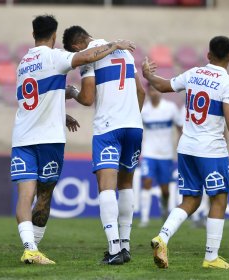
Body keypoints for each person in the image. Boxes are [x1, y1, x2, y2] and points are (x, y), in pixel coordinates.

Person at [12, 15, 136, 265]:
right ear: (55, 36)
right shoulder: (54, 56)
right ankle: (35, 249)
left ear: (33, 34)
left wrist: (61, 111)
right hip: (49, 138)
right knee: (44, 195)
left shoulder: (23, 63)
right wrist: (114, 45)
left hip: (22, 136)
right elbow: (87, 57)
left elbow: (34, 97)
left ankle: (30, 249)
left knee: (25, 196)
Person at [142, 36, 229, 269]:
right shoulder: (228, 83)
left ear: (208, 55)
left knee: (191, 200)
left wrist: (147, 75)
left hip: (186, 147)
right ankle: (211, 257)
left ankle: (162, 237)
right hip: (211, 150)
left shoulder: (194, 73)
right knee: (219, 198)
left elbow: (164, 86)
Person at [63, 25, 145, 265]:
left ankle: (114, 249)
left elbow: (88, 98)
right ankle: (126, 245)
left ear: (76, 46)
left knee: (106, 186)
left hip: (109, 128)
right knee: (126, 183)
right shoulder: (125, 53)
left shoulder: (90, 54)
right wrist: (132, 116)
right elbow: (140, 91)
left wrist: (73, 92)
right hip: (134, 126)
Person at [139, 84, 182, 228]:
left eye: (157, 89)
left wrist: (179, 145)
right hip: (149, 152)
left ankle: (164, 210)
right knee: (147, 182)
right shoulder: (144, 110)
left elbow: (179, 128)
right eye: (152, 89)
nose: (155, 92)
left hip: (166, 154)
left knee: (165, 189)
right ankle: (144, 218)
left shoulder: (170, 108)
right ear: (149, 92)